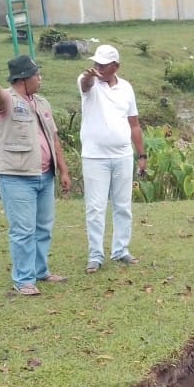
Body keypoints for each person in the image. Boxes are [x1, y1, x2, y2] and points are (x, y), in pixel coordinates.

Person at [0, 55, 71, 296]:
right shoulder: (8, 101)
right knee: (23, 230)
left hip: (45, 175)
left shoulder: (41, 102)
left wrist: (63, 170)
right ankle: (24, 280)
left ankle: (40, 270)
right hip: (17, 176)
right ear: (23, 79)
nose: (40, 78)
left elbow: (54, 138)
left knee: (44, 227)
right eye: (36, 74)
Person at [77, 44, 145, 272]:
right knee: (95, 207)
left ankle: (121, 250)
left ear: (116, 67)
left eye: (103, 65)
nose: (98, 68)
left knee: (123, 205)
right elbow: (85, 86)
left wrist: (141, 154)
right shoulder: (88, 82)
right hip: (95, 157)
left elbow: (134, 124)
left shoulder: (126, 88)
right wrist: (89, 76)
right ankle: (95, 254)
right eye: (96, 64)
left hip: (123, 155)